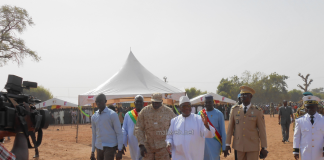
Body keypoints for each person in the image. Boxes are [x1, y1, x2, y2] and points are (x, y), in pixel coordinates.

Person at [224, 86, 268, 160]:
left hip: (252, 146)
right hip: (239, 145)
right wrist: (227, 144)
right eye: (241, 95)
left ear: (250, 96)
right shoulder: (234, 110)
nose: (242, 96)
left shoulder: (257, 111)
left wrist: (264, 147)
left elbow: (262, 130)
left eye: (245, 94)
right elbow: (230, 128)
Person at [135, 93, 176, 160]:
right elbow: (139, 128)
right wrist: (141, 145)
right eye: (153, 102)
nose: (155, 104)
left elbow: (175, 127)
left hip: (163, 148)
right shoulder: (144, 111)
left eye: (157, 102)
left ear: (161, 102)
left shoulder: (169, 112)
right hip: (148, 147)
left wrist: (172, 145)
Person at [90, 94, 125, 160]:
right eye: (97, 101)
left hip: (110, 147)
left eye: (100, 101)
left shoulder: (112, 114)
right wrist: (92, 151)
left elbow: (119, 132)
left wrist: (120, 150)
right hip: (99, 147)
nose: (98, 103)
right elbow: (94, 134)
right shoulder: (94, 117)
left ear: (105, 101)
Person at [293, 95, 324, 160]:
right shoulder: (299, 121)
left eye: (312, 107)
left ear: (317, 108)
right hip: (305, 152)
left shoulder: (322, 119)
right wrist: (295, 150)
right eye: (308, 107)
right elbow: (296, 136)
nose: (310, 109)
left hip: (319, 152)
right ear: (305, 108)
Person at [197, 95, 226, 160]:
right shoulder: (199, 113)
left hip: (215, 144)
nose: (208, 104)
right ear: (204, 103)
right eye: (206, 102)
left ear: (213, 103)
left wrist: (224, 147)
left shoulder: (219, 114)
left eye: (210, 102)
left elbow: (223, 131)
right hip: (203, 145)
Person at [122, 95, 144, 160]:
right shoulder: (128, 115)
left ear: (143, 103)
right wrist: (123, 143)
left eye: (140, 102)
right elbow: (124, 130)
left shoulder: (146, 114)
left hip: (144, 142)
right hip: (133, 143)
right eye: (137, 101)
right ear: (134, 103)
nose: (139, 103)